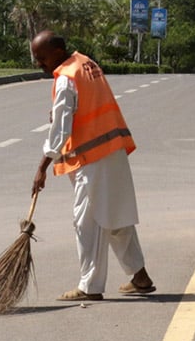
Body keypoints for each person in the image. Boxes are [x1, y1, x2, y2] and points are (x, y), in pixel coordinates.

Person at [30, 30, 155, 302]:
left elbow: (60, 130)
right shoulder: (87, 63)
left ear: (58, 52)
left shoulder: (66, 78)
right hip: (112, 150)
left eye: (41, 57)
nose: (38, 63)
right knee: (116, 217)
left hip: (91, 159)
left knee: (86, 222)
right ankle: (140, 277)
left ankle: (90, 286)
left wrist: (43, 166)